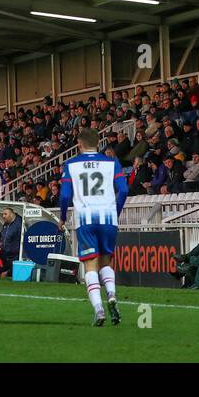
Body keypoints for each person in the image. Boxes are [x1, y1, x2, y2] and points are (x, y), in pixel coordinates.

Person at [60, 127, 128, 326]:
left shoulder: (70, 165)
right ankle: (113, 296)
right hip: (108, 219)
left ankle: (99, 309)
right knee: (106, 262)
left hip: (85, 219)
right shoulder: (111, 162)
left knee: (90, 264)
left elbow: (64, 195)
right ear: (98, 143)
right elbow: (123, 190)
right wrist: (115, 211)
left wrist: (62, 218)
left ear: (79, 144)